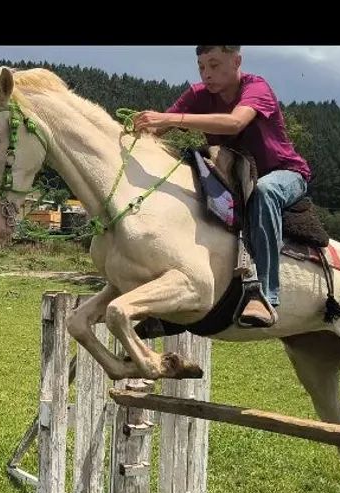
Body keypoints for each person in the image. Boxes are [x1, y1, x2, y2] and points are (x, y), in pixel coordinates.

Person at [133, 45, 311, 327]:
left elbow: (235, 122)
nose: (207, 74)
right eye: (202, 67)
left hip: (283, 173)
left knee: (264, 192)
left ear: (237, 60)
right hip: (230, 174)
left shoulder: (257, 87)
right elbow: (156, 130)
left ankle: (264, 294)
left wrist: (170, 118)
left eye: (214, 65)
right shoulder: (197, 95)